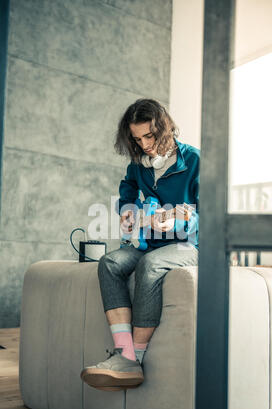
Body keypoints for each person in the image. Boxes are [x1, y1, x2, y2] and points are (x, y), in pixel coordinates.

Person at [80, 98, 200, 391]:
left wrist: (176, 222)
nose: (145, 145)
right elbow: (128, 189)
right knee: (109, 263)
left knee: (151, 264)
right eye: (137, 139)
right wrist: (128, 211)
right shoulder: (138, 165)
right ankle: (125, 353)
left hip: (191, 246)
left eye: (149, 136)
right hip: (152, 243)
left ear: (165, 128)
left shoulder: (196, 161)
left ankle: (134, 360)